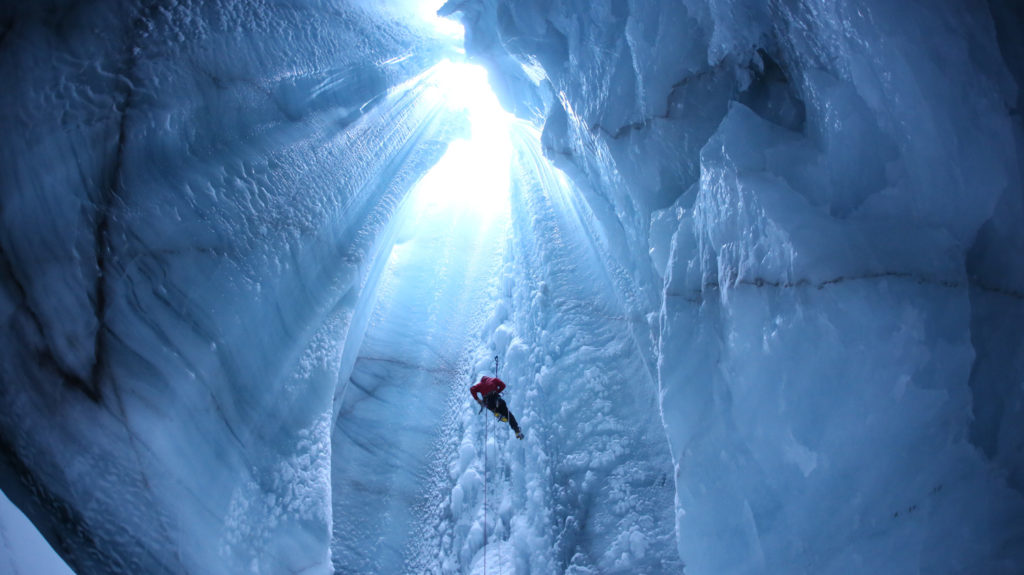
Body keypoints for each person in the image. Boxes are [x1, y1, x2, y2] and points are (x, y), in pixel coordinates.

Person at [471, 375, 524, 439]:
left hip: (488, 403)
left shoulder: (480, 384)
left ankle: (496, 412)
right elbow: (503, 385)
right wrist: (497, 391)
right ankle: (516, 430)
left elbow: (472, 389)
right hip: (496, 398)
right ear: (488, 378)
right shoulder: (494, 379)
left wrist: (478, 399)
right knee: (508, 414)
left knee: (492, 407)